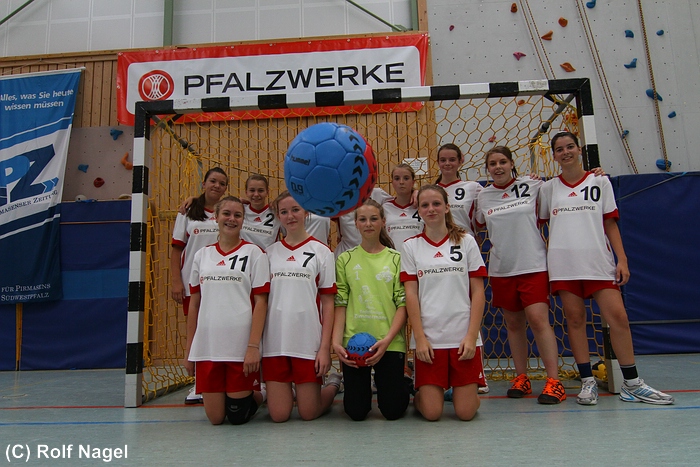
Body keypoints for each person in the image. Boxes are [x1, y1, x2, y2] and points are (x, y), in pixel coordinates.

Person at [538, 131, 674, 406]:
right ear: (553, 156)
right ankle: (587, 382)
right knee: (575, 320)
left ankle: (632, 383)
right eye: (559, 149)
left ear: (579, 150)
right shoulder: (548, 189)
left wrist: (622, 260)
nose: (565, 152)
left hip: (598, 262)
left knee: (618, 318)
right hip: (564, 265)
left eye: (570, 147)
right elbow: (538, 223)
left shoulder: (600, 181)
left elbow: (610, 223)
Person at [474, 146, 565, 404]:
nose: (498, 167)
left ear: (512, 163)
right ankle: (521, 377)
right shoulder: (483, 196)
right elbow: (478, 224)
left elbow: (556, 195)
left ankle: (554, 381)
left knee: (538, 320)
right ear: (487, 169)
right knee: (513, 325)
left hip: (533, 265)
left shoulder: (533, 185)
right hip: (502, 269)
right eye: (493, 163)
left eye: (502, 162)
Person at [401, 185, 487, 421]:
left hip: (462, 337)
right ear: (419, 211)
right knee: (432, 413)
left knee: (465, 413)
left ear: (447, 207)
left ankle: (464, 394)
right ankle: (423, 393)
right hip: (430, 339)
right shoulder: (410, 246)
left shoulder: (466, 242)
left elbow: (478, 292)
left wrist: (472, 336)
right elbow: (411, 295)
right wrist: (419, 338)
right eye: (425, 205)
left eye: (436, 204)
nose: (431, 209)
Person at [184, 196, 270, 425]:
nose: (231, 219)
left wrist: (253, 347)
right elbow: (194, 304)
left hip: (239, 347)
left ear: (243, 220)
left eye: (237, 215)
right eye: (226, 214)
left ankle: (261, 393)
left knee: (237, 416)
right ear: (216, 217)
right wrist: (190, 351)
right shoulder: (202, 256)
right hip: (208, 346)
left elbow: (261, 302)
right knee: (215, 419)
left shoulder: (254, 253)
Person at [262, 191, 342, 422]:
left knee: (309, 413)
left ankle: (333, 385)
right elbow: (261, 302)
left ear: (306, 212)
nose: (290, 216)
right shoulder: (269, 253)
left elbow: (328, 303)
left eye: (295, 210)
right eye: (284, 212)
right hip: (275, 344)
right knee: (279, 416)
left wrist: (324, 349)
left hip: (307, 343)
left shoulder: (322, 252)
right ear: (278, 216)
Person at [332, 199, 410, 421]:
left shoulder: (396, 259)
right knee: (356, 413)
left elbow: (403, 304)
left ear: (383, 222)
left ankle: (405, 381)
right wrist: (336, 343)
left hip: (389, 342)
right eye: (363, 219)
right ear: (355, 223)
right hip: (355, 343)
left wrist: (387, 340)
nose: (368, 224)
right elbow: (340, 303)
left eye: (374, 219)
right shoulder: (345, 259)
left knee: (393, 412)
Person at [170, 167, 228, 404]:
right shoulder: (188, 211)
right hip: (192, 282)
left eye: (222, 183)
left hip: (221, 282)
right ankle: (199, 383)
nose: (217, 186)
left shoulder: (226, 212)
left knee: (219, 330)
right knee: (197, 330)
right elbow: (176, 249)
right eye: (213, 181)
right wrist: (176, 281)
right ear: (203, 184)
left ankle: (220, 380)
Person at [435, 143, 489, 394]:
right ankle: (445, 375)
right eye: (443, 160)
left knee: (471, 312)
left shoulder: (473, 188)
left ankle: (478, 373)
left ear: (461, 161)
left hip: (464, 256)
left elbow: (481, 219)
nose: (447, 164)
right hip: (438, 260)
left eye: (452, 159)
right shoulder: (429, 191)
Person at [383, 163, 423, 254]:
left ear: (413, 182)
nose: (401, 182)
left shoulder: (422, 206)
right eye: (397, 178)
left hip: (417, 257)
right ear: (392, 182)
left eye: (406, 178)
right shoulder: (385, 207)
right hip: (392, 258)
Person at [240, 174, 281, 249]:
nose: (256, 194)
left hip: (268, 255)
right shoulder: (240, 210)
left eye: (260, 190)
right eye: (252, 190)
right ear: (246, 192)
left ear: (267, 192)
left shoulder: (276, 211)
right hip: (243, 255)